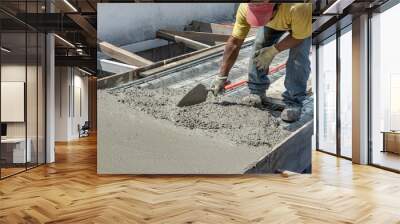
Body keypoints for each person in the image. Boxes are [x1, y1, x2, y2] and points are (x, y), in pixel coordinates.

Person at [210, 2, 312, 122]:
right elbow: (235, 42)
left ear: (275, 8)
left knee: (298, 58)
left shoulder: (298, 7)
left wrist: (273, 50)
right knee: (259, 46)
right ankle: (256, 92)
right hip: (279, 18)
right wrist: (222, 76)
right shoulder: (245, 7)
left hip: (298, 18)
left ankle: (293, 103)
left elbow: (298, 37)